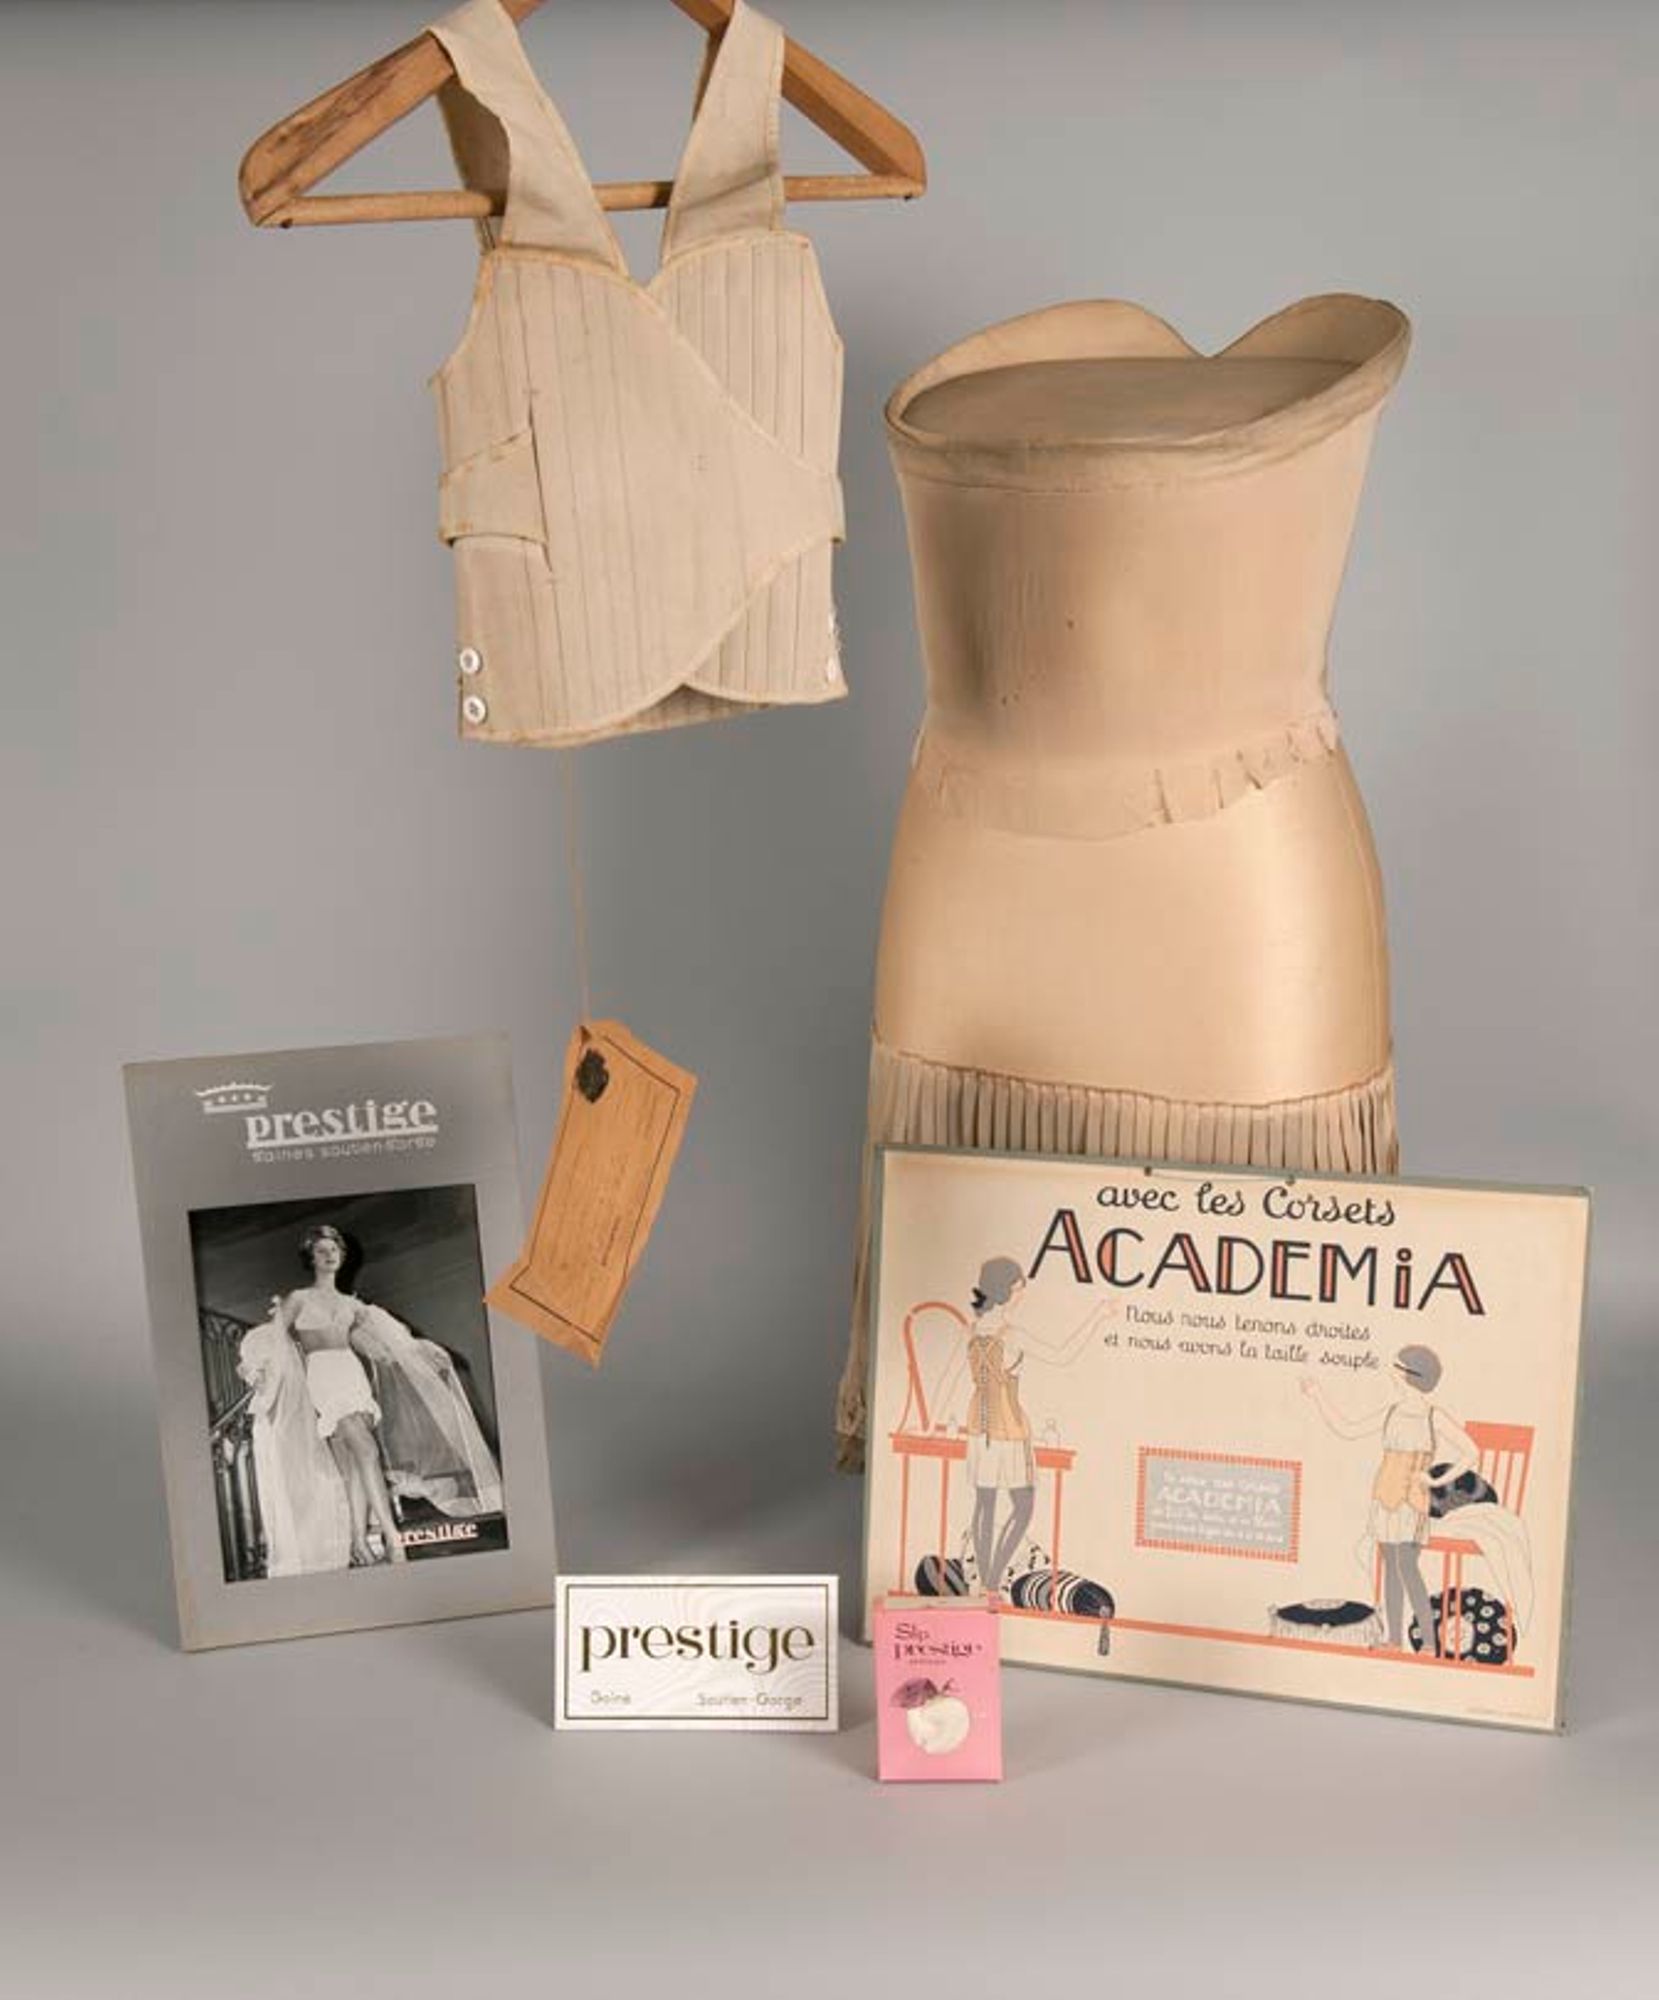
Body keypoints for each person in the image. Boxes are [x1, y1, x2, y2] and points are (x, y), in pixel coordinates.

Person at [936, 1257, 1107, 1595]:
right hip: (1009, 1428)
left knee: (984, 1503)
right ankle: (992, 1581)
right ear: (1003, 1291)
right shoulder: (1011, 1334)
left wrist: (931, 1423)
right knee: (1023, 1504)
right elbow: (1062, 1355)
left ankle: (984, 1584)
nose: (1022, 1294)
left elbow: (948, 1379)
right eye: (1017, 1288)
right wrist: (1097, 1317)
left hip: (978, 1426)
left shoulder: (971, 1330)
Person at [1302, 1346, 1477, 1655]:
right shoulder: (1392, 1411)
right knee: (1391, 1570)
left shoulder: (1433, 1416)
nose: (1390, 1371)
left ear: (1411, 1374)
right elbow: (1348, 1429)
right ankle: (1395, 1641)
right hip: (1385, 1496)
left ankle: (1429, 1643)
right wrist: (1317, 1395)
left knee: (1407, 1566)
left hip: (1412, 1500)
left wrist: (1435, 1481)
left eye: (1396, 1366)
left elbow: (1471, 1452)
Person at [278, 1224, 406, 1567]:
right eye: (321, 1250)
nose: (329, 1255)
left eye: (334, 1249)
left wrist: (414, 1351)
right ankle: (393, 1537)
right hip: (322, 1377)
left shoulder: (353, 1304)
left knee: (355, 1462)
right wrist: (259, 1368)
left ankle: (358, 1542)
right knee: (368, 1450)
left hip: (352, 1375)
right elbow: (273, 1338)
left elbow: (374, 1343)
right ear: (311, 1258)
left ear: (342, 1256)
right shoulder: (298, 1298)